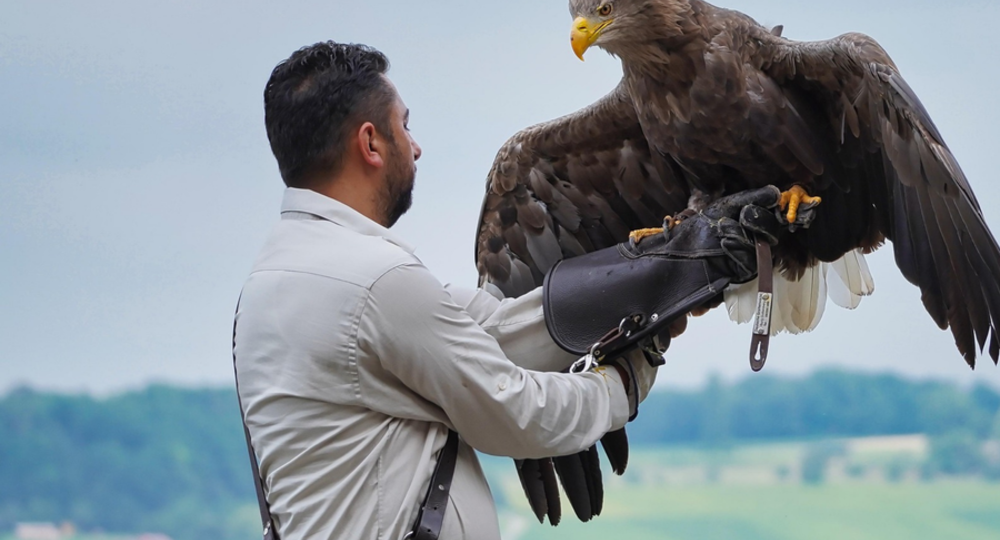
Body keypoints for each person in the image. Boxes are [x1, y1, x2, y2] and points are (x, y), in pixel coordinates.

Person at [234, 41, 779, 540]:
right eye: (404, 125)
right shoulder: (374, 283)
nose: (417, 148)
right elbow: (516, 411)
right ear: (371, 142)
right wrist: (624, 383)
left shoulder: (277, 278)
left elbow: (490, 331)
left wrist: (654, 277)